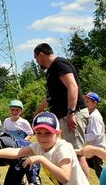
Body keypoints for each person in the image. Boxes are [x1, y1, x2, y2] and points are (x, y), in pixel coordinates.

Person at [33, 43, 90, 176]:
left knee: (77, 153)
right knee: (68, 152)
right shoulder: (52, 70)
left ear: (41, 54)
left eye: (36, 58)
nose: (37, 62)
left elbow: (72, 86)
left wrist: (71, 113)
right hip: (62, 115)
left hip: (71, 115)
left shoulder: (59, 64)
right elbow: (50, 97)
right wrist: (37, 112)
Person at [84, 92, 106, 178]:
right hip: (92, 147)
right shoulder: (91, 115)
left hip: (97, 147)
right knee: (88, 163)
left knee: (99, 172)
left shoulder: (94, 116)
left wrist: (82, 137)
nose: (86, 104)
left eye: (88, 102)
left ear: (95, 103)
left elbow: (95, 134)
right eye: (85, 101)